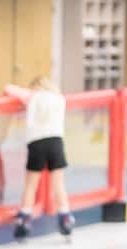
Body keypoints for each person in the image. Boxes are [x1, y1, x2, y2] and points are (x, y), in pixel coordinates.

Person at [4, 77, 74, 240]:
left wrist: (27, 93)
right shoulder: (59, 99)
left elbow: (9, 88)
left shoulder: (33, 97)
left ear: (36, 87)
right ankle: (65, 216)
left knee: (31, 185)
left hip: (37, 142)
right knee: (58, 184)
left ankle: (25, 218)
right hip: (56, 141)